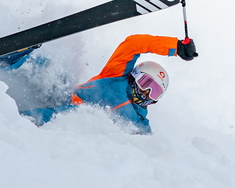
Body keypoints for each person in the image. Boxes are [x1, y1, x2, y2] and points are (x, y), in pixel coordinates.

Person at [21, 34, 198, 133]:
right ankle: (15, 57)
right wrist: (175, 46)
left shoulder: (138, 122)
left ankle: (17, 121)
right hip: (65, 94)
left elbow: (149, 151)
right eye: (146, 82)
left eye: (155, 92)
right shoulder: (117, 75)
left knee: (79, 114)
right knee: (50, 70)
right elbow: (133, 44)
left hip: (73, 120)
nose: (146, 92)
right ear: (135, 75)